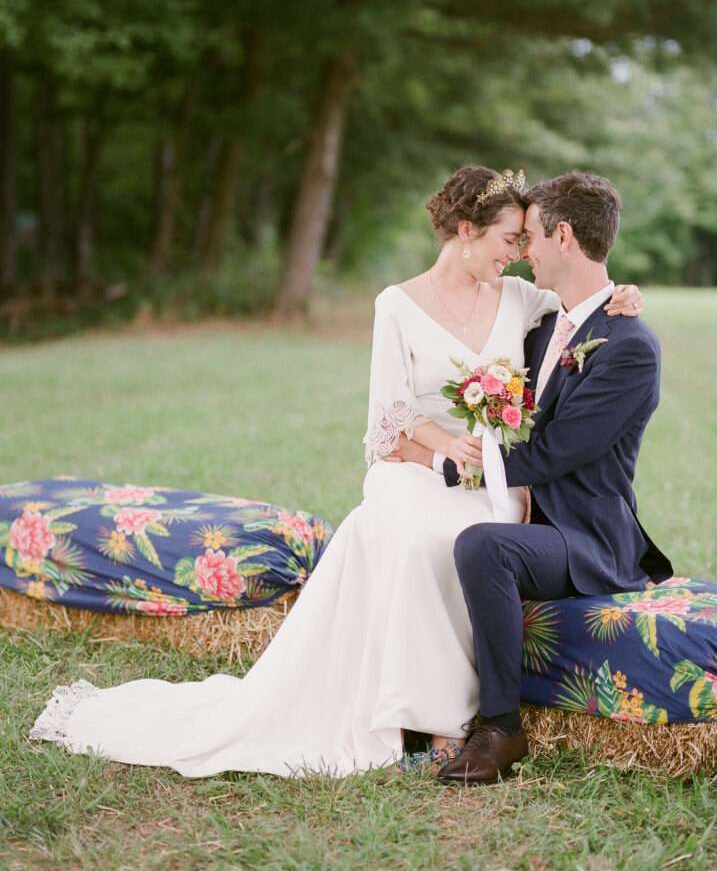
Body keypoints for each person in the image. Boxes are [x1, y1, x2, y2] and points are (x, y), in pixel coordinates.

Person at [30, 166, 643, 778]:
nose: (517, 253)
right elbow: (389, 419)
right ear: (465, 231)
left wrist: (628, 294)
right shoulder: (397, 304)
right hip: (420, 464)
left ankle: (433, 715)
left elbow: (583, 306)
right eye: (508, 239)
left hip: (489, 479)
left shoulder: (519, 298)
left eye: (523, 241)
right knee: (403, 533)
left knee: (448, 541)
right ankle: (416, 717)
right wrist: (438, 453)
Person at [394, 171, 673, 785]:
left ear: (564, 235)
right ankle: (419, 701)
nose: (525, 252)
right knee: (419, 532)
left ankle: (500, 726)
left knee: (481, 545)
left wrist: (450, 465)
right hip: (520, 509)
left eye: (532, 238)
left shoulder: (629, 346)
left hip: (584, 536)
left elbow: (552, 454)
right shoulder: (544, 326)